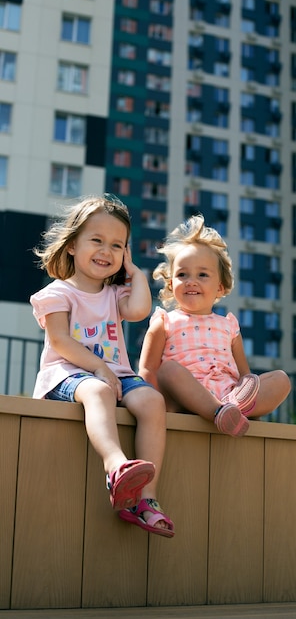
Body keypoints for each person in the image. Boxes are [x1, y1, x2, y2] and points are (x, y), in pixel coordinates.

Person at [30, 194, 174, 538]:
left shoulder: (113, 295)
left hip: (116, 375)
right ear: (71, 245)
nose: (106, 251)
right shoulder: (57, 293)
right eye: (96, 240)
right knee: (98, 391)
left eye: (117, 245)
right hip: (67, 374)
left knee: (153, 401)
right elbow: (62, 342)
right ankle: (116, 467)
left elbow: (139, 311)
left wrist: (136, 273)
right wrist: (99, 368)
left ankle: (146, 499)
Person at [139, 214, 291, 437]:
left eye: (202, 274)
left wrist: (247, 396)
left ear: (220, 288)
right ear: (171, 285)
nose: (192, 280)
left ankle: (235, 410)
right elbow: (148, 369)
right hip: (183, 401)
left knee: (281, 379)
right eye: (182, 274)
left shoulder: (229, 326)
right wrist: (151, 404)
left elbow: (245, 377)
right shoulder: (165, 322)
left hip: (229, 395)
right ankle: (219, 412)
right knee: (168, 370)